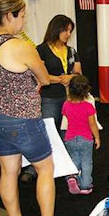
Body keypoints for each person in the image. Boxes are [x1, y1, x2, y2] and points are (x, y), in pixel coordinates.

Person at [0, 0, 77, 216]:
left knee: (8, 171)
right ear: (10, 15)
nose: (23, 22)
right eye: (23, 16)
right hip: (23, 118)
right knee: (45, 168)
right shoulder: (19, 45)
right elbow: (43, 78)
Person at [20, 14, 82, 182]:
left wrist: (70, 77)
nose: (68, 34)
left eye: (70, 31)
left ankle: (65, 166)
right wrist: (61, 78)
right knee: (45, 131)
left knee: (66, 132)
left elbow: (78, 73)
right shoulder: (41, 49)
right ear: (56, 29)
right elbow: (38, 75)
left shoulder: (71, 51)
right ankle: (34, 168)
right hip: (49, 97)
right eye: (66, 30)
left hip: (69, 98)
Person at [62, 75, 101, 194]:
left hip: (70, 137)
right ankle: (85, 185)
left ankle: (72, 177)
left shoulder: (66, 105)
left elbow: (67, 116)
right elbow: (93, 124)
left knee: (74, 158)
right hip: (85, 138)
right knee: (86, 161)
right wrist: (97, 138)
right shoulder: (88, 107)